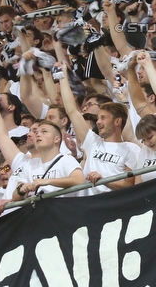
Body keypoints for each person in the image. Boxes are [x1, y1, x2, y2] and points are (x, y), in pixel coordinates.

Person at [58, 63, 140, 194]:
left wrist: (104, 180)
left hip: (112, 205)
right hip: (86, 205)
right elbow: (72, 110)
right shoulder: (92, 141)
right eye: (98, 118)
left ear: (117, 121)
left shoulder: (132, 149)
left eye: (103, 118)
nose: (98, 121)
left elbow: (129, 185)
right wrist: (62, 76)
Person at [1, 121, 84, 207]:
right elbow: (15, 197)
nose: (38, 134)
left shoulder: (66, 159)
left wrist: (47, 181)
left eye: (44, 131)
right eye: (36, 132)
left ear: (56, 139)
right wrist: (21, 190)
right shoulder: (29, 165)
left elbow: (79, 180)